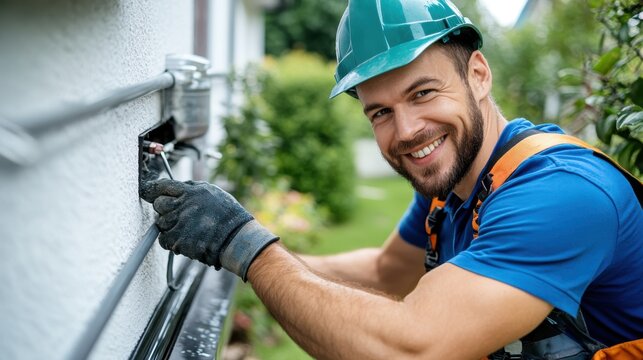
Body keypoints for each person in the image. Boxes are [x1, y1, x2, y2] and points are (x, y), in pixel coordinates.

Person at [140, 0, 643, 358]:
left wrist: (246, 247)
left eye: (423, 92)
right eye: (380, 112)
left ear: (479, 74)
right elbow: (385, 271)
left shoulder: (562, 194)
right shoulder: (457, 184)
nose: (406, 131)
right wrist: (240, 248)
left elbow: (414, 347)